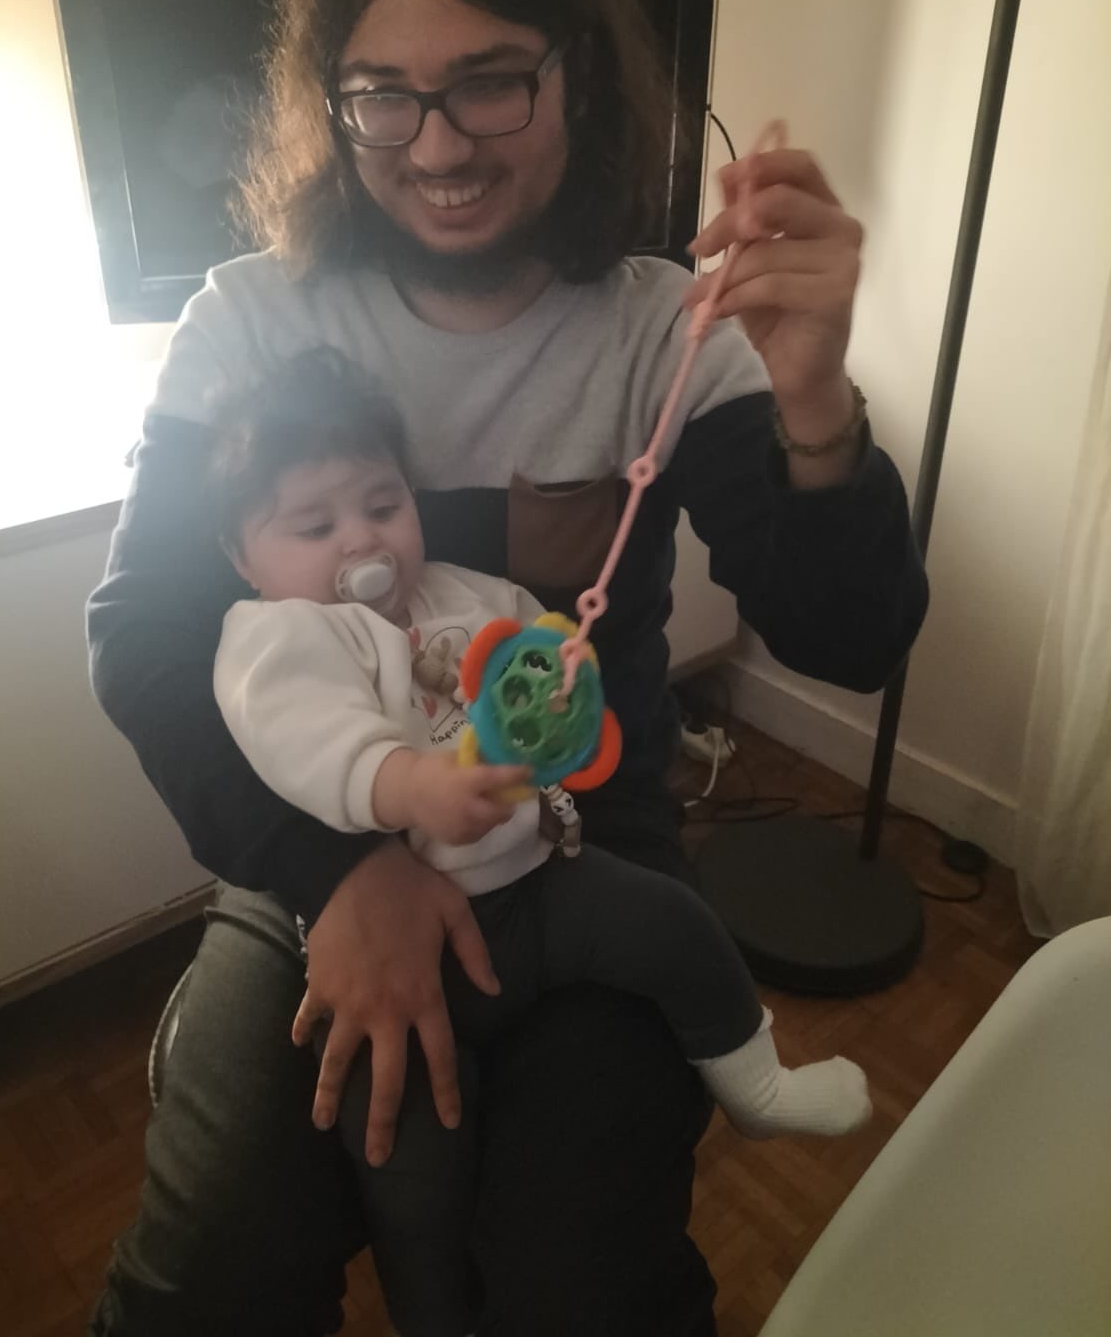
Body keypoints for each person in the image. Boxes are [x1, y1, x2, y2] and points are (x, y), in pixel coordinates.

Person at [86, 0, 928, 1337]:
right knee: (212, 1263)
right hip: (314, 840)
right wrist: (345, 873)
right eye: (384, 93)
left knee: (576, 1285)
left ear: (577, 76)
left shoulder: (669, 333)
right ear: (334, 99)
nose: (437, 145)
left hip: (581, 847)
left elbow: (850, 637)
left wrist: (814, 399)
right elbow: (143, 645)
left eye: (489, 82)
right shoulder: (245, 325)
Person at [210, 347, 873, 1336]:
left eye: (384, 504)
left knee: (675, 927)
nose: (362, 538)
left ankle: (757, 1082)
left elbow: (535, 645)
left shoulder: (461, 592)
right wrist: (412, 785)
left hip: (537, 886)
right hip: (410, 946)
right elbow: (310, 740)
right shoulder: (279, 638)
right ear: (243, 558)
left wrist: (558, 674)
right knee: (407, 1150)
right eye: (314, 526)